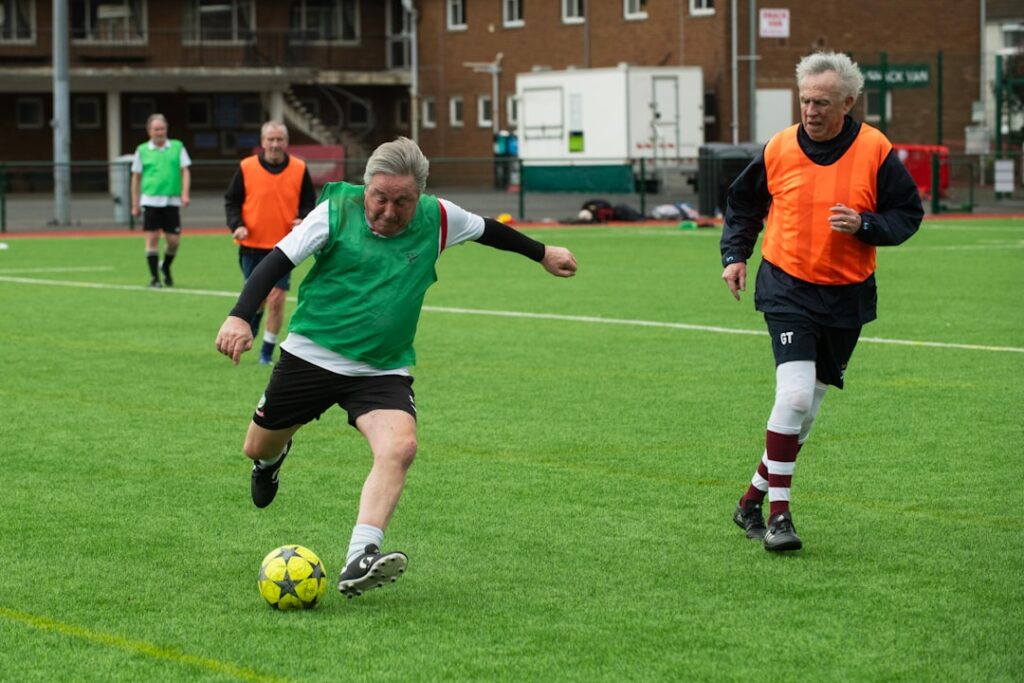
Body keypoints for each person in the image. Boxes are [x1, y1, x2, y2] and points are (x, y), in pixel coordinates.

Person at [215, 137, 578, 596]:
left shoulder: (439, 217)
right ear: (365, 188)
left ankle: (359, 555)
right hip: (311, 355)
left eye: (402, 201)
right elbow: (277, 261)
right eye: (380, 198)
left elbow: (489, 229)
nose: (389, 210)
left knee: (400, 447)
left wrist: (542, 253)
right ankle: (271, 460)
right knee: (256, 446)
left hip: (381, 369)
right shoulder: (335, 213)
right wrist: (239, 315)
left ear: (419, 196)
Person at [720, 52, 922, 552]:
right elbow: (743, 202)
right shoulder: (779, 147)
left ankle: (749, 501)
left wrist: (866, 225)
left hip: (848, 295)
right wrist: (735, 254)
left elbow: (907, 213)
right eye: (805, 100)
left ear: (848, 102)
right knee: (790, 398)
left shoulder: (875, 149)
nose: (810, 110)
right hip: (786, 286)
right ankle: (780, 519)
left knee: (804, 414)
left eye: (822, 102)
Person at [224, 121, 316, 365]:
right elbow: (232, 201)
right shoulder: (246, 167)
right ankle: (251, 328)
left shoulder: (299, 167)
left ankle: (266, 350)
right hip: (251, 244)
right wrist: (237, 225)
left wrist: (303, 219)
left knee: (276, 298)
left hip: (284, 247)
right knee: (258, 297)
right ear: (262, 142)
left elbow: (309, 203)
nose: (275, 144)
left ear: (286, 142)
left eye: (279, 140)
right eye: (270, 140)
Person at [131, 113, 191, 288]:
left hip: (172, 200)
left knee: (173, 241)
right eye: (156, 129)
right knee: (152, 238)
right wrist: (135, 203)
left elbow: (185, 171)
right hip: (150, 200)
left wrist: (185, 193)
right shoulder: (142, 150)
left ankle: (165, 266)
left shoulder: (177, 147)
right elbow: (136, 177)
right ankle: (154, 278)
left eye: (162, 128)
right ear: (149, 131)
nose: (159, 132)